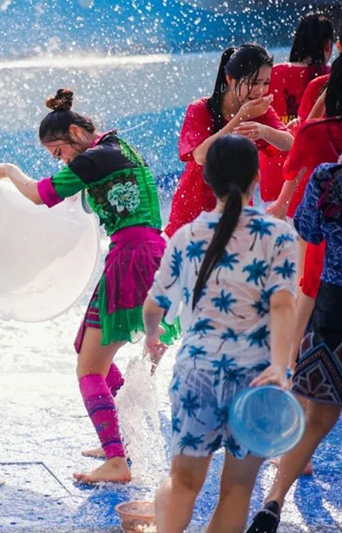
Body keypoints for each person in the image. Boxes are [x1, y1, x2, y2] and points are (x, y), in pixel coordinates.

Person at [0, 88, 176, 483]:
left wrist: (9, 170)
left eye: (59, 152)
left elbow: (39, 195)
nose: (62, 160)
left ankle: (116, 460)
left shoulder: (92, 158)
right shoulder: (116, 147)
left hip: (130, 258)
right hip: (151, 254)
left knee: (88, 368)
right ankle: (119, 438)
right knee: (85, 346)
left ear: (75, 133)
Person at [144, 135, 297, 533]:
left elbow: (154, 305)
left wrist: (152, 337)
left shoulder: (186, 236)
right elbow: (283, 305)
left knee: (182, 481)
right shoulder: (278, 235)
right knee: (238, 488)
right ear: (256, 177)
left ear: (208, 180)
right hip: (257, 379)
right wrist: (280, 365)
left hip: (197, 373)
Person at [246, 160, 342, 533]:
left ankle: (274, 501)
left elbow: (308, 230)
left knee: (316, 419)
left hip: (333, 306)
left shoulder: (327, 177)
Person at [165, 44, 293, 237]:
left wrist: (264, 131)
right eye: (254, 82)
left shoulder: (261, 112)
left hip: (237, 207)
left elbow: (289, 144)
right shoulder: (201, 109)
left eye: (266, 83)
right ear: (230, 79)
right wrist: (241, 117)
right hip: (194, 205)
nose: (260, 90)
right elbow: (200, 156)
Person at [260, 13, 333, 201]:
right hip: (316, 179)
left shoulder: (273, 74)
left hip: (273, 175)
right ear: (328, 46)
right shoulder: (332, 78)